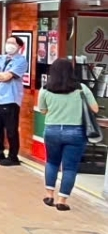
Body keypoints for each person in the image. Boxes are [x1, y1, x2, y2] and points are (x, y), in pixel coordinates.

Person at [38, 58, 98, 211]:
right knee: (70, 168)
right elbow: (95, 109)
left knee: (52, 162)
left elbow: (43, 110)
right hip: (75, 132)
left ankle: (49, 195)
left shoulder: (45, 89)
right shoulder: (81, 88)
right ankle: (62, 200)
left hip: (52, 130)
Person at [0, 35, 29, 166]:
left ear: (19, 46)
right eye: (8, 42)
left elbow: (7, 77)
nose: (9, 45)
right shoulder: (0, 58)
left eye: (12, 43)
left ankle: (13, 156)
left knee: (11, 130)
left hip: (10, 99)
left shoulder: (21, 61)